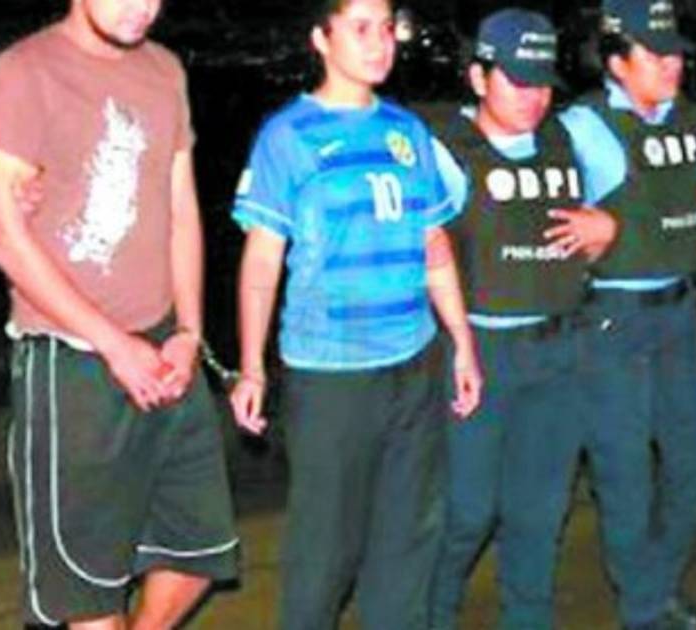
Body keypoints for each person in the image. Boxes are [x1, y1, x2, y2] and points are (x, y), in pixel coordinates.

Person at [0, 0, 240, 626]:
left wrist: (189, 332)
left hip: (165, 345)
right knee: (87, 590)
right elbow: (4, 237)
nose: (140, 8)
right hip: (71, 360)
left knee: (199, 553)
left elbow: (180, 209)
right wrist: (115, 346)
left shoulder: (164, 69)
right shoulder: (25, 71)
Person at [227, 0, 482, 627]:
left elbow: (433, 245)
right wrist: (252, 365)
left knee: (408, 542)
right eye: (360, 29)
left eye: (387, 28)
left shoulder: (408, 131)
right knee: (325, 551)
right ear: (321, 38)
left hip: (414, 361)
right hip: (330, 373)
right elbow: (262, 259)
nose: (379, 43)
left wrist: (462, 342)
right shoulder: (288, 136)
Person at [425, 9, 619, 629]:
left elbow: (623, 221)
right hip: (480, 355)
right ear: (479, 78)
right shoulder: (445, 152)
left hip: (560, 351)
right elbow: (418, 254)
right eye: (516, 81)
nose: (533, 97)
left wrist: (609, 228)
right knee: (466, 512)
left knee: (539, 513)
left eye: (542, 82)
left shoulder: (572, 141)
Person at [558, 0, 696, 626]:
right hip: (612, 317)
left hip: (678, 312)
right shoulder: (584, 129)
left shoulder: (689, 122)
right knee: (624, 470)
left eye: (675, 52)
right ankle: (644, 607)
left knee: (694, 458)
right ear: (618, 63)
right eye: (655, 55)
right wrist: (591, 232)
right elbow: (542, 221)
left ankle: (655, 584)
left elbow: (692, 197)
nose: (671, 64)